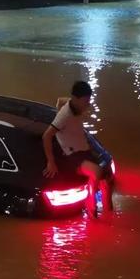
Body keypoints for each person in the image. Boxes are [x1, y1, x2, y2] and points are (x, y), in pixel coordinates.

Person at [42, 80, 113, 216]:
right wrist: (50, 161)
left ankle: (109, 210)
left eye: (89, 100)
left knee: (108, 176)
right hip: (72, 156)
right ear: (76, 99)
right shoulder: (65, 115)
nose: (88, 104)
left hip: (84, 151)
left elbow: (60, 100)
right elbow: (46, 136)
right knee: (96, 172)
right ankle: (91, 210)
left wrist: (59, 106)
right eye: (86, 100)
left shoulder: (75, 105)